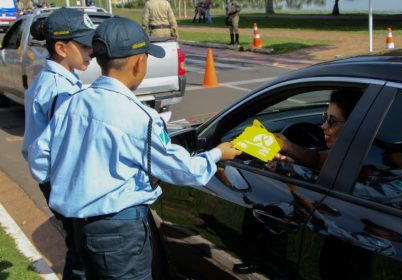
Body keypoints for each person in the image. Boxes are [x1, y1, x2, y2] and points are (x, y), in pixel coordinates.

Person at [27, 16, 241, 279]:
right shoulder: (139, 117)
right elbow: (184, 170)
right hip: (120, 235)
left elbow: (39, 158)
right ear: (139, 63)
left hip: (82, 229)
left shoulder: (73, 102)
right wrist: (219, 153)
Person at [21, 7, 95, 280]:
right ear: (61, 48)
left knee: (79, 248)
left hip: (54, 176)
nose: (92, 52)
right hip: (62, 178)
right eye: (86, 45)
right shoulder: (58, 89)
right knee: (81, 253)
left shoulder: (59, 78)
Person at [275, 88, 364, 171]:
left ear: (353, 125)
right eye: (326, 117)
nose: (323, 126)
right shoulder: (350, 150)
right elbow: (320, 159)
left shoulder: (358, 163)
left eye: (332, 121)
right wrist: (288, 146)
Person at [354, 139, 402, 213]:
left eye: (390, 151)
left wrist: (348, 183)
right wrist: (364, 175)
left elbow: (375, 195)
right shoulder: (389, 176)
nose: (383, 153)